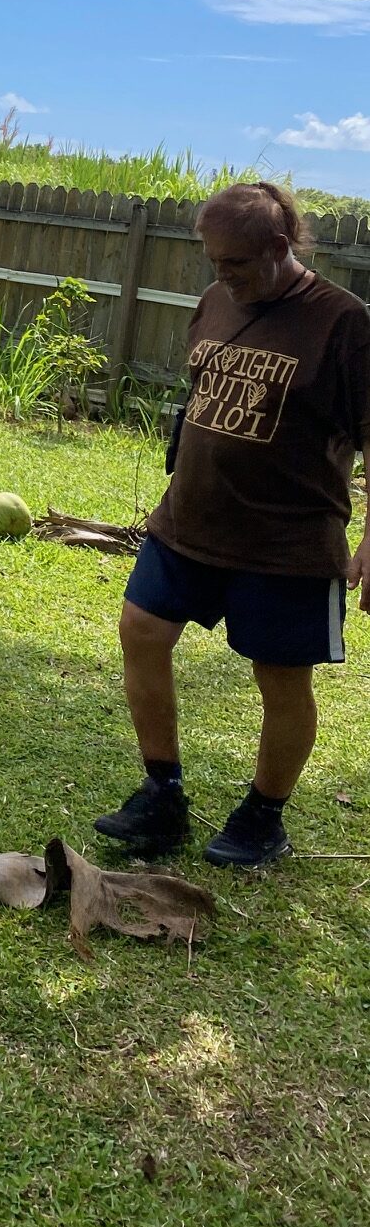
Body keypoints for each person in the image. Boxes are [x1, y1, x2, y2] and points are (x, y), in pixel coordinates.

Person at [95, 181, 370, 870]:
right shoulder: (217, 301)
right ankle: (162, 794)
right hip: (189, 522)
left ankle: (263, 817)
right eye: (213, 261)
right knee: (141, 630)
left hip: (286, 543)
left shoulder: (343, 323)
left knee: (281, 679)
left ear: (279, 246)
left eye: (237, 263)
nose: (222, 275)